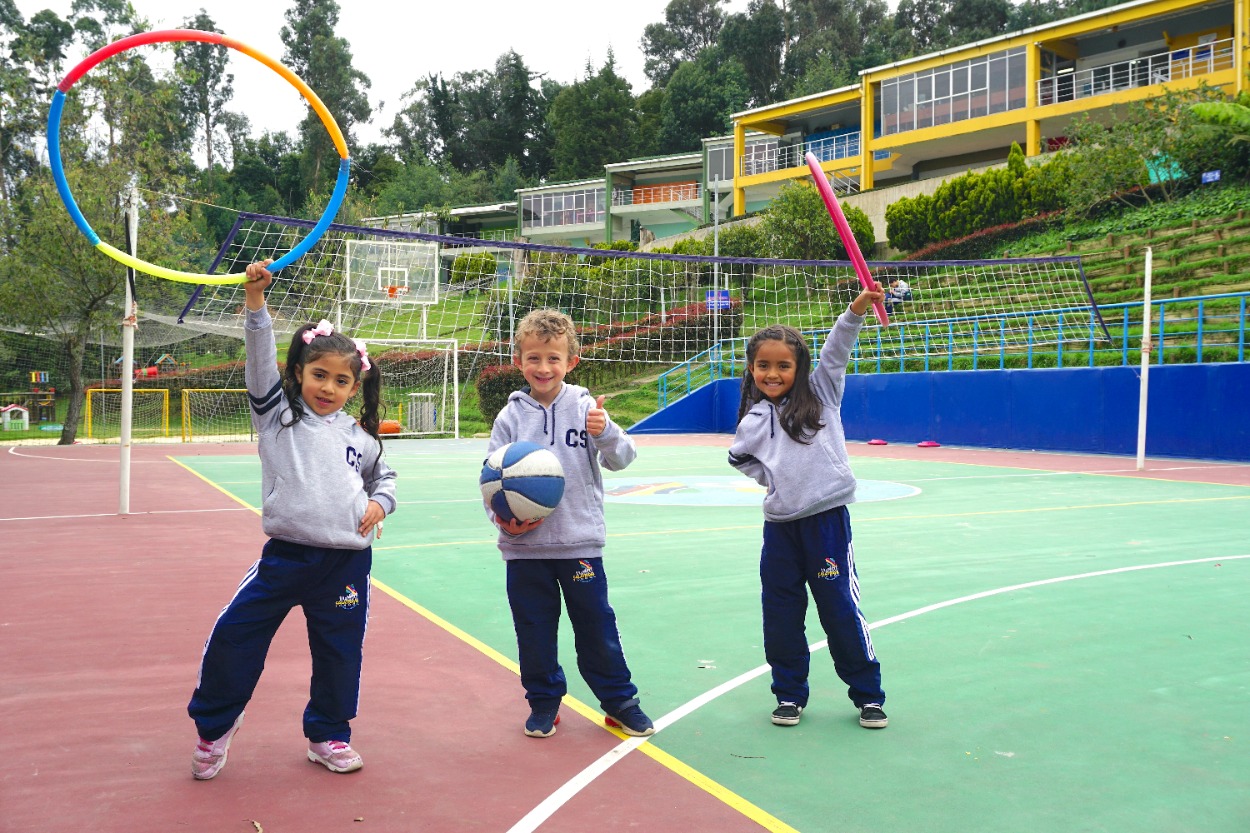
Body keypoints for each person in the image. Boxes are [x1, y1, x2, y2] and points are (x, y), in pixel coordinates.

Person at [187, 259, 397, 780]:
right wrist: (256, 305)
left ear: (354, 386)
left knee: (340, 653)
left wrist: (380, 504)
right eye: (319, 374)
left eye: (341, 380)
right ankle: (215, 727)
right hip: (286, 558)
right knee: (235, 635)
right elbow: (259, 364)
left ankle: (328, 733)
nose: (328, 387)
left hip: (346, 564)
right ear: (299, 373)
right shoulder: (277, 415)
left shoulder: (361, 437)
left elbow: (384, 479)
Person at [484, 308, 654, 739]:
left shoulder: (585, 409)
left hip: (579, 543)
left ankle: (619, 701)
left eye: (553, 358)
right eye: (534, 358)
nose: (544, 367)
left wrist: (606, 432)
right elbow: (491, 478)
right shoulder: (510, 418)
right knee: (534, 633)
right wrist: (504, 522)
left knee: (597, 629)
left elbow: (622, 459)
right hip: (524, 549)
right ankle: (543, 704)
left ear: (571, 362)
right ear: (518, 360)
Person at [728, 285, 889, 731]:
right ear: (752, 369)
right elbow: (740, 458)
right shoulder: (753, 420)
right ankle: (789, 695)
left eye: (783, 365)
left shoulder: (822, 393)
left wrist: (856, 310)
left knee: (839, 608)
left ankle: (868, 695)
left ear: (799, 368)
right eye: (763, 365)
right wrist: (775, 480)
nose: (773, 373)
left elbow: (836, 351)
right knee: (780, 614)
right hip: (780, 530)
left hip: (826, 525)